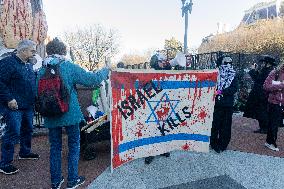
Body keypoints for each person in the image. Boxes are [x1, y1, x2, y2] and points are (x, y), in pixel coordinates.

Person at [37, 38, 109, 189]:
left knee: (55, 147)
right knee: (74, 145)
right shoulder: (68, 66)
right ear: (63, 51)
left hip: (51, 115)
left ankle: (56, 182)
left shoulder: (41, 70)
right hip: (70, 114)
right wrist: (105, 69)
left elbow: (35, 93)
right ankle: (72, 180)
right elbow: (92, 79)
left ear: (49, 51)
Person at [0, 39, 39, 175]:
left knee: (28, 129)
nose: (34, 54)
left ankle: (25, 152)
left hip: (28, 105)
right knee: (13, 133)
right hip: (13, 106)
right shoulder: (7, 63)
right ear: (22, 50)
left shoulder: (28, 65)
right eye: (32, 51)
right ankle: (5, 163)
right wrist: (9, 98)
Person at [144, 53, 171, 164]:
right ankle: (150, 152)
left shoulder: (165, 71)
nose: (163, 63)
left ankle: (162, 149)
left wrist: (167, 63)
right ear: (155, 62)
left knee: (163, 127)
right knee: (152, 129)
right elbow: (146, 88)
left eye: (163, 61)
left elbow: (170, 69)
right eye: (160, 61)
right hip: (153, 104)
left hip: (164, 103)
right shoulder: (149, 74)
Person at [210, 56, 238, 153]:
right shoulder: (215, 73)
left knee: (226, 125)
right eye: (226, 63)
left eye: (230, 62)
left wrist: (221, 91)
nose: (228, 65)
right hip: (216, 103)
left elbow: (234, 88)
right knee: (215, 124)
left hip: (227, 104)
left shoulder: (233, 74)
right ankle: (213, 143)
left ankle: (223, 144)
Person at [243, 55, 277, 134]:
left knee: (262, 111)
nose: (262, 64)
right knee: (260, 111)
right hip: (260, 94)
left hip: (262, 95)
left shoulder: (269, 71)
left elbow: (258, 80)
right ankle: (263, 127)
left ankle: (264, 128)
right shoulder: (266, 70)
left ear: (268, 63)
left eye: (264, 62)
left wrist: (252, 71)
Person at [263, 62, 284, 152]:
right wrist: (280, 85)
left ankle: (269, 141)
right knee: (274, 123)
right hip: (275, 102)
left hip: (281, 103)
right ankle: (271, 142)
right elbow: (265, 86)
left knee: (276, 123)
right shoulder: (275, 73)